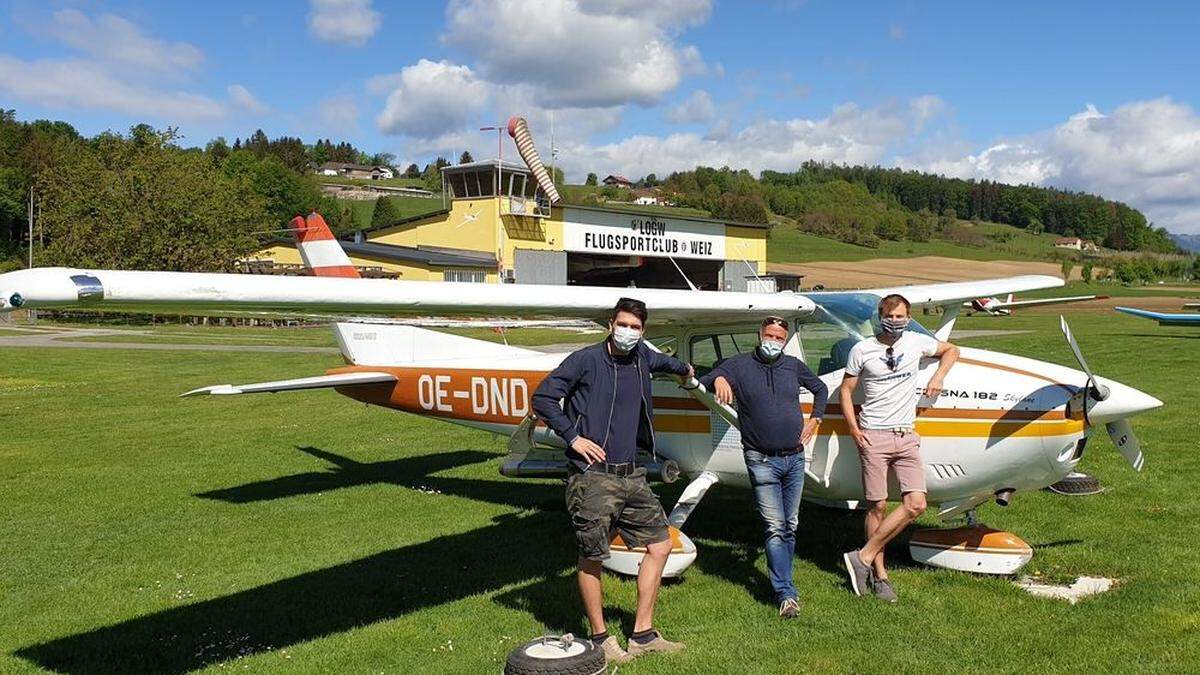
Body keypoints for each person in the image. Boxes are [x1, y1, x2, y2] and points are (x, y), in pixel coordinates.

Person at [531, 297, 694, 664]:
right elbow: (543, 397)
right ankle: (601, 637)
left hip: (632, 474)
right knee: (593, 555)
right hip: (593, 477)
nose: (628, 332)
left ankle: (643, 634)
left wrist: (686, 370)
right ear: (611, 324)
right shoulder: (585, 360)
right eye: (623, 325)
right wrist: (573, 437)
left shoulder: (643, 358)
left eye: (636, 328)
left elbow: (668, 362)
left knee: (660, 546)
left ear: (643, 332)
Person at [698, 316, 829, 618]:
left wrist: (816, 418)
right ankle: (786, 593)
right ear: (760, 335)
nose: (773, 341)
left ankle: (784, 578)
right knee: (774, 526)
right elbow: (705, 380)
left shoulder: (793, 366)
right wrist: (718, 379)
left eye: (779, 338)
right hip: (761, 459)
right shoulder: (739, 365)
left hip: (795, 457)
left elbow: (820, 388)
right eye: (769, 335)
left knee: (790, 525)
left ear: (784, 340)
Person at [839, 294, 959, 602]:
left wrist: (938, 377)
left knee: (916, 504)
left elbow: (951, 349)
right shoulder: (862, 349)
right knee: (876, 505)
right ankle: (880, 575)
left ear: (908, 317)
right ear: (880, 316)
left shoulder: (917, 342)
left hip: (906, 436)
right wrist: (854, 429)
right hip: (873, 435)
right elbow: (847, 389)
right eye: (890, 316)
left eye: (901, 316)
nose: (896, 321)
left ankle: (862, 557)